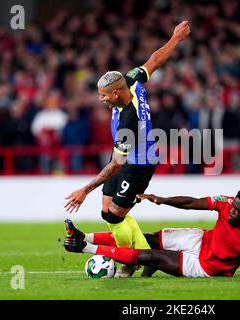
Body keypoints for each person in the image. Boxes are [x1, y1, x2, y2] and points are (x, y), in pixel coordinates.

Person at [63, 21, 191, 277]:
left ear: (117, 92)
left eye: (104, 95)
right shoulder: (132, 81)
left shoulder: (128, 121)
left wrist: (85, 190)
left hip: (137, 166)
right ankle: (139, 257)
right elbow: (155, 60)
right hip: (126, 160)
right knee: (107, 212)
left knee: (115, 218)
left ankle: (136, 262)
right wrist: (175, 38)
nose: (101, 99)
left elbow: (115, 165)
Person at [63, 187, 240, 279]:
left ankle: (83, 248)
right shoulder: (227, 203)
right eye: (233, 206)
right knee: (149, 237)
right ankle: (83, 237)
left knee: (150, 256)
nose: (231, 212)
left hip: (206, 265)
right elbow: (192, 203)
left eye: (238, 211)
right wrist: (162, 199)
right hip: (201, 239)